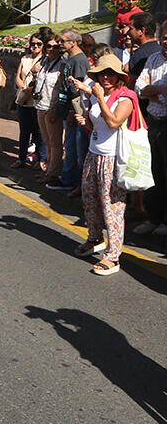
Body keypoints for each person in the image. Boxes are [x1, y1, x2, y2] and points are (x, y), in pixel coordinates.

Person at [70, 55, 138, 275]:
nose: (106, 77)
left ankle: (113, 256)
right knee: (89, 199)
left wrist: (98, 97)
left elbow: (114, 122)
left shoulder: (126, 97)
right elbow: (99, 125)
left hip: (113, 158)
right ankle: (95, 237)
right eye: (102, 74)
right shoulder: (98, 96)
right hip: (94, 153)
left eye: (110, 74)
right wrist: (87, 122)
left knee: (112, 206)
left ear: (119, 77)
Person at [133, 20, 167, 237]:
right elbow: (138, 87)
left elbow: (147, 89)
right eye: (164, 36)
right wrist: (162, 91)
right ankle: (154, 218)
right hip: (153, 121)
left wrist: (153, 90)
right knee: (153, 173)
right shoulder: (154, 59)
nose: (166, 41)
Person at [47, 30, 90, 192]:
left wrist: (73, 112)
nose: (60, 44)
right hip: (67, 109)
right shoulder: (71, 59)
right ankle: (68, 178)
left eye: (63, 41)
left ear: (73, 42)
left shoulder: (79, 61)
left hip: (74, 111)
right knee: (69, 144)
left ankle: (71, 181)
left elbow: (78, 89)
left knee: (73, 147)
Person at [34, 36, 65, 183]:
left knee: (54, 141)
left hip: (52, 107)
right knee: (46, 140)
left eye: (55, 47)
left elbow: (61, 89)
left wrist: (55, 108)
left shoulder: (62, 65)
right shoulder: (44, 62)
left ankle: (53, 172)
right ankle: (47, 168)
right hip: (40, 104)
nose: (51, 49)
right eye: (49, 46)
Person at [13, 34, 46, 168]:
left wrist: (28, 92)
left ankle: (40, 159)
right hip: (22, 99)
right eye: (33, 43)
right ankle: (21, 158)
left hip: (35, 100)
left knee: (38, 131)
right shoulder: (25, 58)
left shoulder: (44, 60)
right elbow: (18, 76)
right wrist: (23, 88)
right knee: (24, 130)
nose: (35, 46)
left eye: (39, 44)